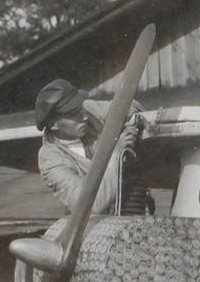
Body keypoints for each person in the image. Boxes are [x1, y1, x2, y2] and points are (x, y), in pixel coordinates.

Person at [32, 77, 152, 216]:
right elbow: (90, 206)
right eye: (74, 115)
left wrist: (129, 126)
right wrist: (114, 153)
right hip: (94, 227)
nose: (83, 117)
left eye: (80, 109)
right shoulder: (51, 161)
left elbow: (131, 106)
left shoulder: (88, 109)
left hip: (133, 206)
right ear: (54, 124)